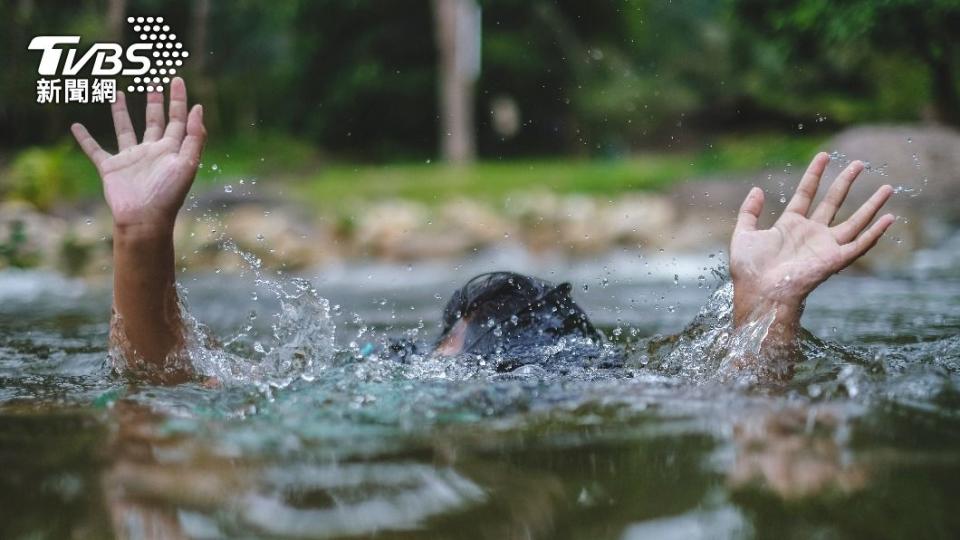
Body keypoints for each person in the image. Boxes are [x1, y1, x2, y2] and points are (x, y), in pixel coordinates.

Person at [70, 79, 896, 385]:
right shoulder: (595, 376)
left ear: (447, 341)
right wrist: (764, 309)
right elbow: (738, 400)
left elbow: (167, 380)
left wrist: (142, 241)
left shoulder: (378, 370)